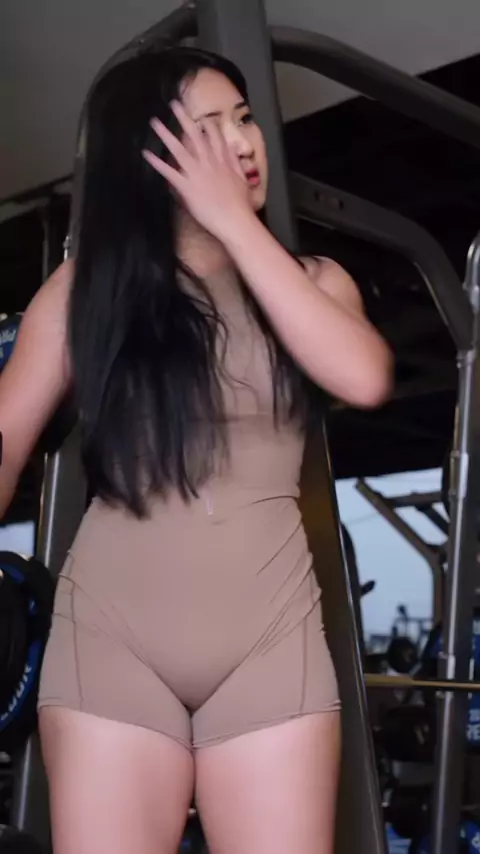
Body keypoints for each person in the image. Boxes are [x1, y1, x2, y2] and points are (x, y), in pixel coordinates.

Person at [0, 47, 392, 854]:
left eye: (244, 120)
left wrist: (236, 225)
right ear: (149, 158)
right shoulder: (83, 294)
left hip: (270, 645)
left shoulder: (316, 282)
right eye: (209, 130)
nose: (242, 143)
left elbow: (362, 376)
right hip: (113, 642)